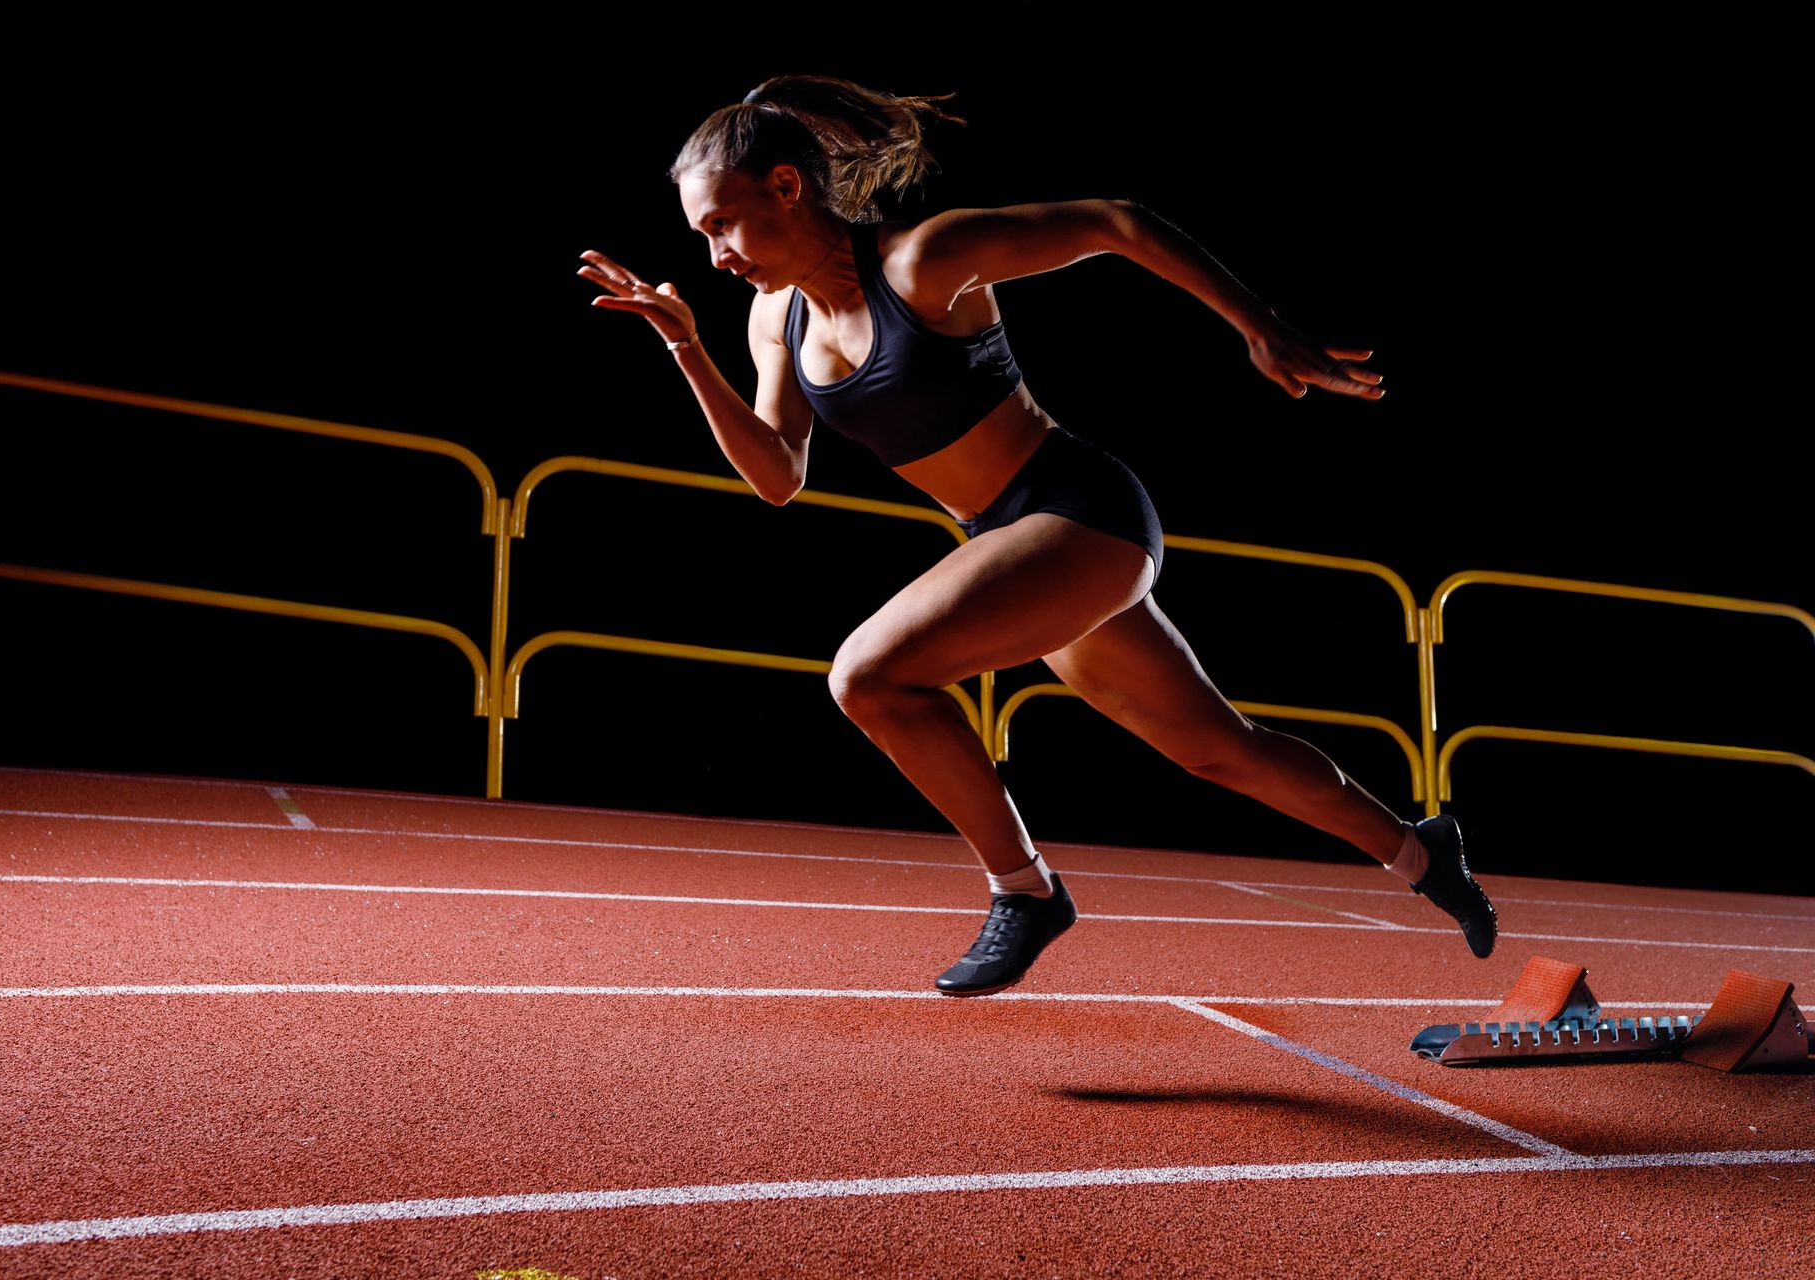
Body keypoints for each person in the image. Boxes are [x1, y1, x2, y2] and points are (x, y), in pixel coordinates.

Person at [576, 74, 1497, 996]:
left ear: (786, 187)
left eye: (721, 225)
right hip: (1011, 543)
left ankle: (1024, 890)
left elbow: (1116, 221)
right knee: (1220, 748)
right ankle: (1422, 852)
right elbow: (778, 476)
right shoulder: (771, 319)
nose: (716, 254)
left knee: (867, 676)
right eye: (703, 236)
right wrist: (685, 349)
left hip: (1078, 513)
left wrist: (1259, 326)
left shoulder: (924, 260)